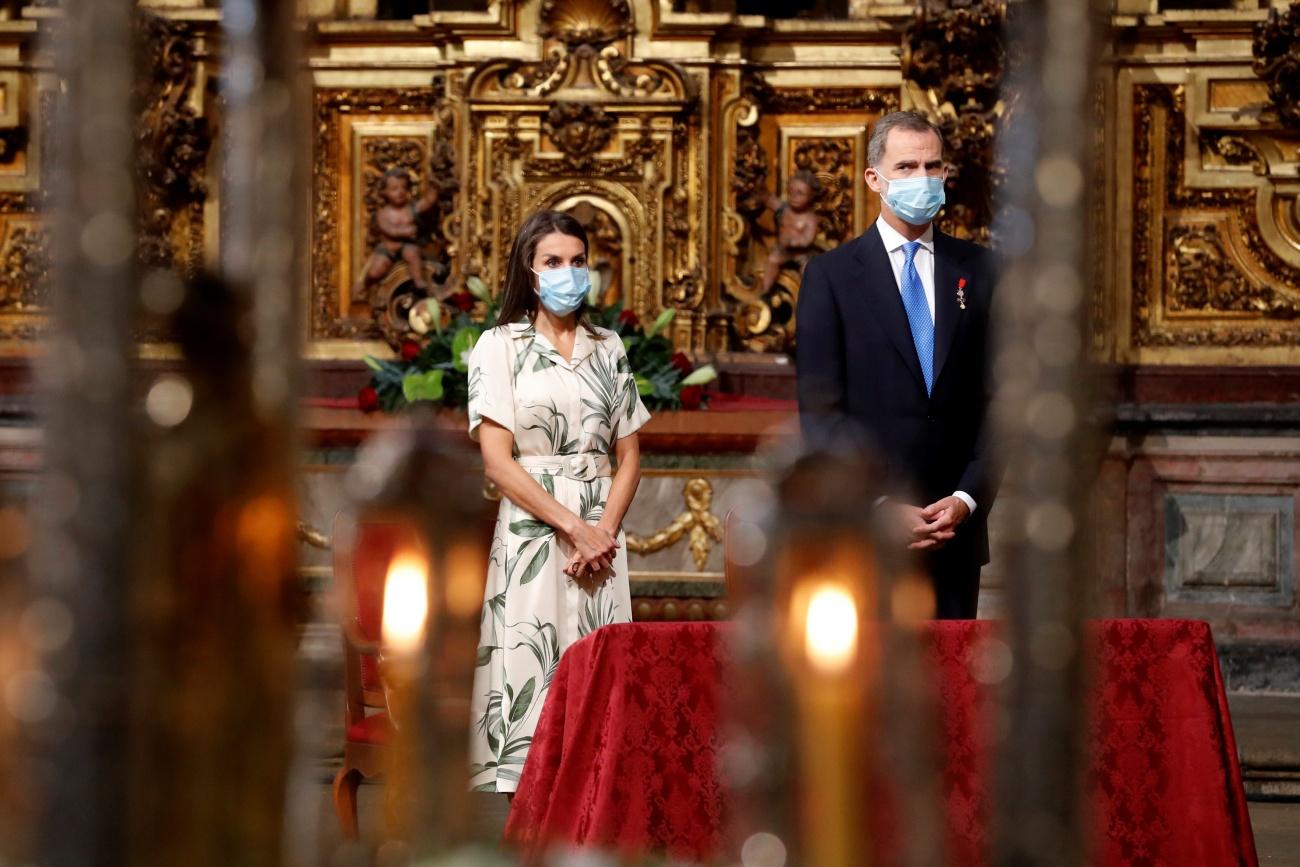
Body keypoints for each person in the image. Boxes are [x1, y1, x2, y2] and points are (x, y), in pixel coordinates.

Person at [466, 209, 650, 793]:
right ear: (530, 268)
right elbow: (497, 461)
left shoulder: (609, 346)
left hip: (602, 532)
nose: (568, 273)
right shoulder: (498, 347)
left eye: (577, 261)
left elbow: (630, 456)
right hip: (535, 531)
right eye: (554, 262)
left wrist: (603, 531)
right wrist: (575, 527)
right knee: (534, 658)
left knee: (599, 661)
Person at [795, 111, 999, 620]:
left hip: (954, 530)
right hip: (865, 533)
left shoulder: (981, 270)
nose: (922, 180)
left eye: (933, 167)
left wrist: (966, 498)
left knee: (953, 692)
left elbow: (1003, 403)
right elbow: (821, 415)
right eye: (906, 166)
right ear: (875, 179)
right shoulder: (831, 276)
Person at [351, 168, 438, 301]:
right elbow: (388, 230)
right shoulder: (383, 213)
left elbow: (427, 202)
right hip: (388, 248)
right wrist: (405, 231)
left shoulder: (411, 208)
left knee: (413, 254)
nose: (400, 192)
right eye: (394, 188)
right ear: (384, 192)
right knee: (376, 271)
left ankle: (419, 281)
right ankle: (366, 284)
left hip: (406, 245)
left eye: (403, 187)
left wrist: (434, 188)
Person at [761, 170, 823, 293]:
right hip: (784, 251)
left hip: (802, 254)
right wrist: (761, 190)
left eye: (800, 193)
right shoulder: (784, 209)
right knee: (772, 259)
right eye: (791, 192)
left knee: (808, 269)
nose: (794, 196)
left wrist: (795, 241)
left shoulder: (810, 218)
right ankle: (764, 289)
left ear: (811, 196)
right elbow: (769, 199)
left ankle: (810, 297)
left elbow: (808, 239)